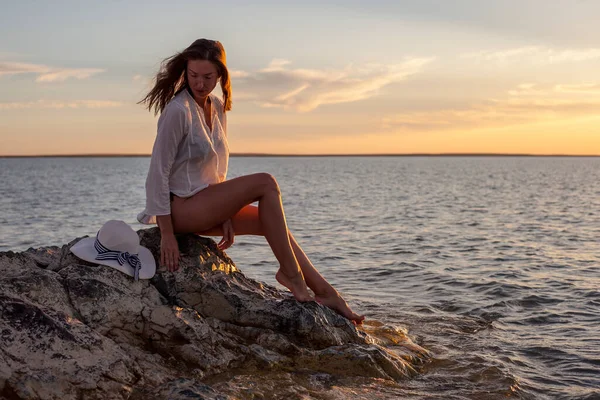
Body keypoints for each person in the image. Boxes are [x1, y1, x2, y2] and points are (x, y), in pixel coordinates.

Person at [137, 39, 364, 324]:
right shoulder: (177, 111)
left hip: (204, 204)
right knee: (266, 183)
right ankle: (291, 275)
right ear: (186, 71)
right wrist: (167, 234)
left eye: (208, 77)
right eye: (193, 75)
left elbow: (215, 167)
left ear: (220, 76)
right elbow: (157, 173)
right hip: (179, 209)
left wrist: (226, 212)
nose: (199, 83)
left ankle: (327, 292)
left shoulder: (217, 107)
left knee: (273, 223)